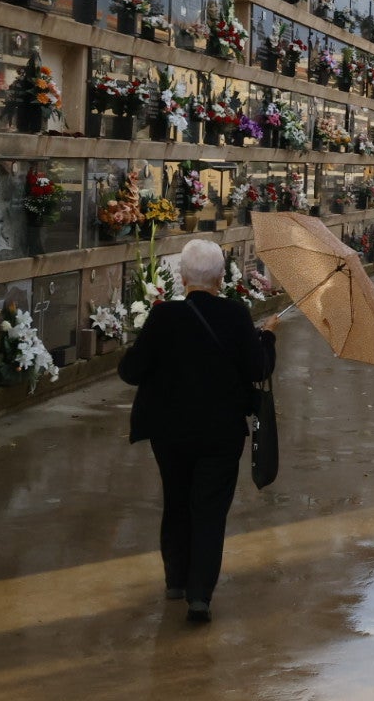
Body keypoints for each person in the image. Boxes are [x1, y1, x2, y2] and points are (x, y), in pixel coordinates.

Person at [119, 239, 278, 624]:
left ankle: (175, 581)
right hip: (220, 434)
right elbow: (258, 371)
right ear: (221, 278)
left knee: (176, 500)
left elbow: (130, 372)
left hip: (170, 433)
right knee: (209, 510)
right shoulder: (236, 316)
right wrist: (268, 336)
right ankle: (199, 597)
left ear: (182, 276)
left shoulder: (162, 317)